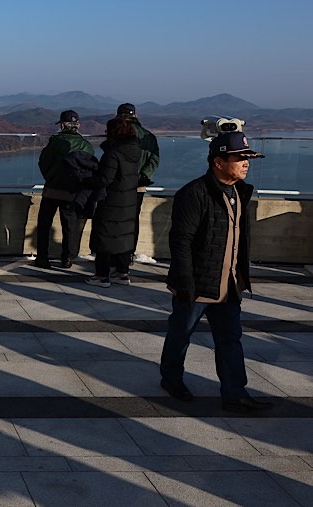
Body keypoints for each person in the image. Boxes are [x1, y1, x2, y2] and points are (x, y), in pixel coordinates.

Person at [159, 131, 273, 414]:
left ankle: (235, 393)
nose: (246, 163)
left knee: (230, 339)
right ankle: (171, 380)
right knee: (181, 334)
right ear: (218, 162)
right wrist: (185, 281)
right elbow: (181, 240)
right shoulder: (194, 193)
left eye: (249, 158)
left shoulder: (240, 192)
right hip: (197, 284)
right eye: (240, 158)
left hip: (229, 284)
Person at [35, 110, 98, 269]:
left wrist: (50, 178)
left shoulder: (55, 142)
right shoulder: (86, 145)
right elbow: (90, 167)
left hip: (52, 189)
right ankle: (67, 258)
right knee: (70, 226)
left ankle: (43, 257)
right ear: (78, 125)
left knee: (44, 224)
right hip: (73, 191)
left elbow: (43, 162)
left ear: (62, 125)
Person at [85, 117, 141, 287]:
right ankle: (122, 273)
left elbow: (105, 179)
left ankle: (102, 275)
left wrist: (87, 180)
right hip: (129, 200)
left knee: (105, 236)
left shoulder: (114, 153)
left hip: (112, 201)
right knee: (124, 236)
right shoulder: (134, 151)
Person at [116, 103, 159, 263]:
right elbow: (154, 160)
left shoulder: (118, 135)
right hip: (138, 186)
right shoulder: (148, 137)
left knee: (115, 219)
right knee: (133, 220)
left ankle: (115, 255)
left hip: (118, 186)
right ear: (136, 115)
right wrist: (142, 176)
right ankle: (128, 253)